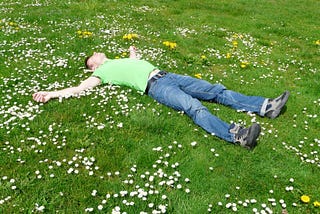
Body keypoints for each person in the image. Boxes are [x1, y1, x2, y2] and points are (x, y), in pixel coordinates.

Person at [33, 46, 290, 150]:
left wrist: (133, 51)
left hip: (169, 75)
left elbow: (134, 62)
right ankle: (238, 135)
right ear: (92, 66)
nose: (98, 53)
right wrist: (51, 93)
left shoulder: (118, 60)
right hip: (155, 87)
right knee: (193, 106)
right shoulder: (100, 73)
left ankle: (265, 106)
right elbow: (78, 89)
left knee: (215, 90)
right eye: (93, 57)